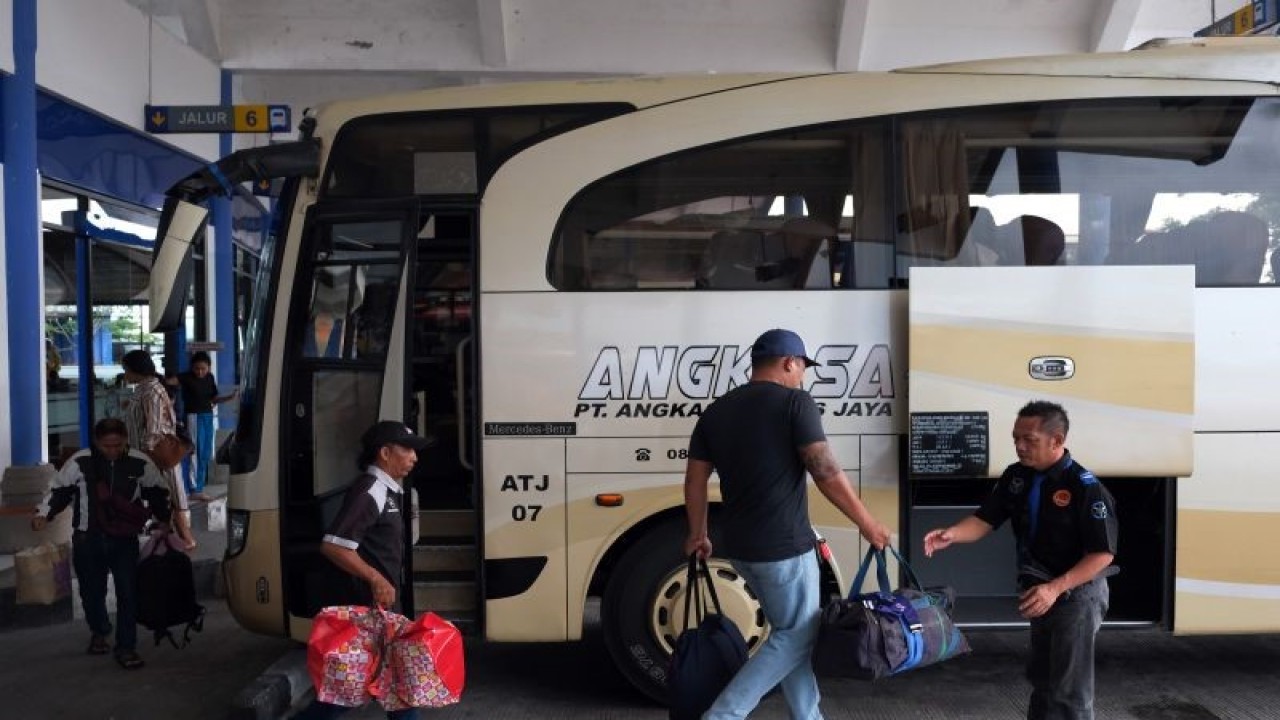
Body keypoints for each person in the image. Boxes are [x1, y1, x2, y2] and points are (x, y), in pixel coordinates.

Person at [683, 328, 891, 720]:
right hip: (783, 548)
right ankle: (723, 715)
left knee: (791, 634)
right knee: (798, 636)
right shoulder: (795, 402)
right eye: (803, 367)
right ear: (789, 363)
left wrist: (698, 534)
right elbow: (824, 469)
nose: (803, 376)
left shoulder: (716, 411)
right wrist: (868, 524)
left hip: (740, 546)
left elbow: (695, 480)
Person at [923, 400, 1119, 720]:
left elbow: (1102, 554)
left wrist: (1055, 589)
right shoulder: (1017, 476)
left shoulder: (1086, 487)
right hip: (1039, 590)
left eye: (1030, 440)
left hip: (1076, 593)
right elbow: (985, 519)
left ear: (1057, 440)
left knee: (1069, 692)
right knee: (1042, 681)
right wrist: (952, 534)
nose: (1020, 446)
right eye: (1016, 438)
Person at [294, 420, 432, 720]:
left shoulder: (388, 491)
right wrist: (376, 578)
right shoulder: (370, 491)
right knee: (345, 694)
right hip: (365, 612)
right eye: (408, 449)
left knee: (395, 687)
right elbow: (334, 546)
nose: (414, 457)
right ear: (385, 453)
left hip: (382, 613)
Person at [31, 418, 171, 670]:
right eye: (107, 445)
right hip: (88, 539)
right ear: (96, 442)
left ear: (126, 440)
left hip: (125, 539)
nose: (113, 450)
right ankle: (100, 629)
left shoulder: (140, 462)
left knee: (128, 593)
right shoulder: (80, 461)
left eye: (118, 445)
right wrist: (43, 514)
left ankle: (126, 648)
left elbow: (158, 492)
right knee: (91, 593)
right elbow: (59, 490)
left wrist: (164, 519)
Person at [121, 349, 197, 551]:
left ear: (136, 370)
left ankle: (186, 539)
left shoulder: (152, 391)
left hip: (156, 455)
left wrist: (144, 456)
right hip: (147, 455)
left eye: (126, 370)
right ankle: (171, 540)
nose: (125, 374)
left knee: (172, 495)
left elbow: (154, 429)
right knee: (161, 498)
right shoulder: (143, 389)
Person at [176, 351, 237, 502]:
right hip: (193, 417)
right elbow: (168, 382)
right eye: (197, 368)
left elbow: (213, 399)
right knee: (195, 452)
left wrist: (229, 397)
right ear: (192, 367)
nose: (200, 372)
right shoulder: (186, 377)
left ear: (209, 367)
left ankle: (199, 487)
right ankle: (194, 489)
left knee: (205, 453)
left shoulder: (210, 378)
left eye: (203, 368)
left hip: (208, 416)